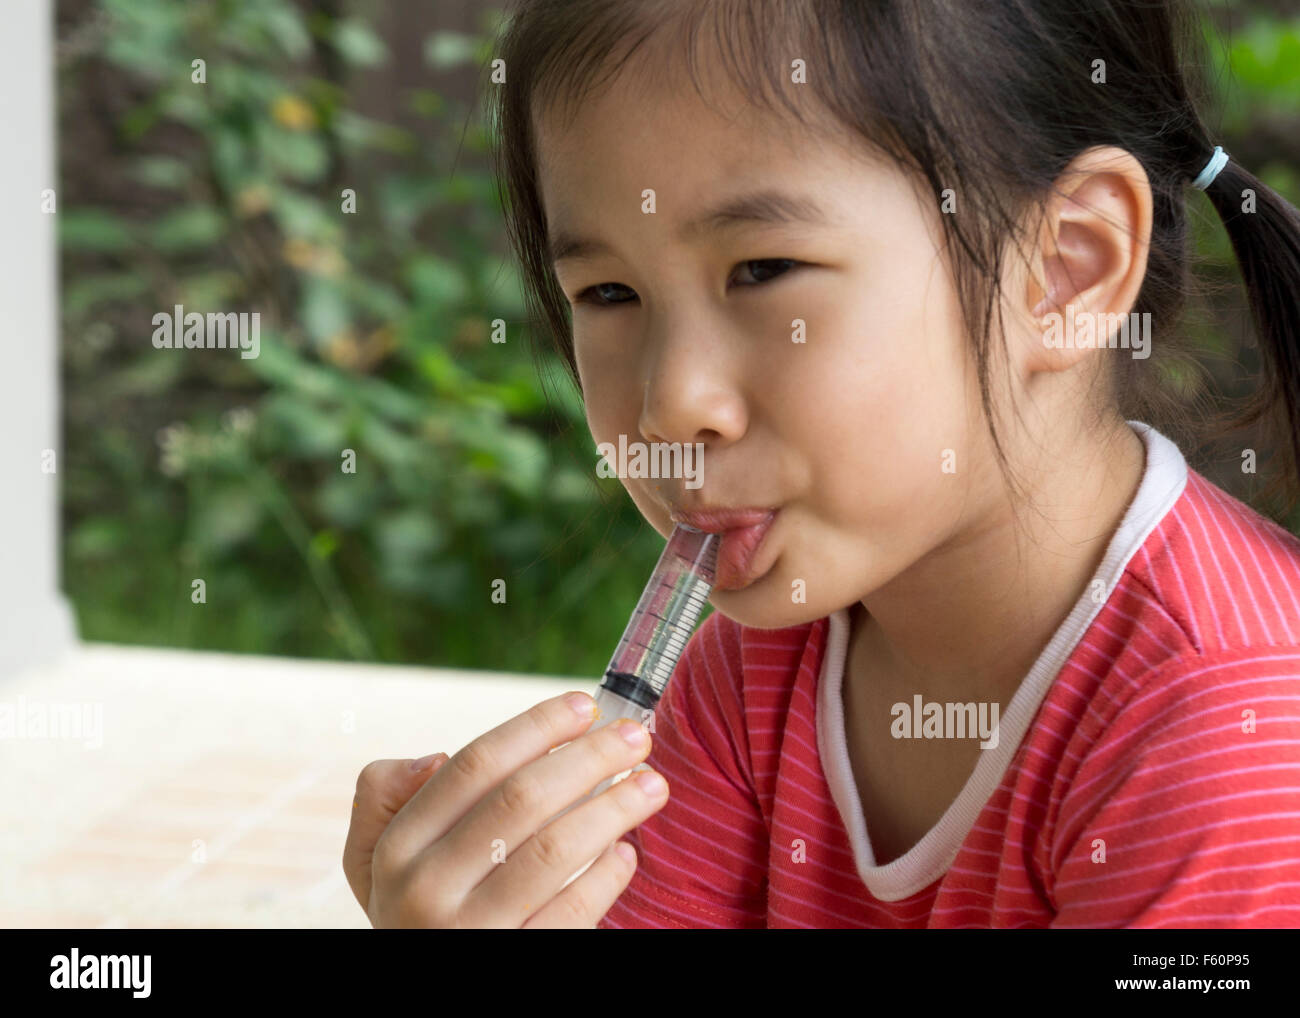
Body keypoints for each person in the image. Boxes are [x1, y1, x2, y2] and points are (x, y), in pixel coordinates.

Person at [344, 0, 1300, 928]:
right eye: (608, 292)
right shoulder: (754, 676)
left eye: (762, 271)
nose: (670, 404)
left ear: (1067, 269)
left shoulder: (1229, 734)